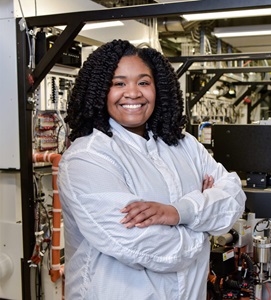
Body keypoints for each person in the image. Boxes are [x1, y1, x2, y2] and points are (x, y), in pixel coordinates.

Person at [57, 39, 246, 300]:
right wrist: (203, 228)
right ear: (100, 90)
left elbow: (234, 198)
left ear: (159, 89)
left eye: (143, 82)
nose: (133, 93)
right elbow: (141, 246)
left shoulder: (185, 145)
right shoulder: (86, 158)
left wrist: (179, 212)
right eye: (119, 83)